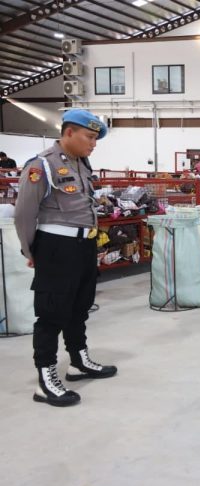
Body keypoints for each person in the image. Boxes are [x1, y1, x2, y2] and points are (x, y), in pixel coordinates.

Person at [14, 109, 117, 407]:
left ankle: (78, 361)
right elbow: (24, 213)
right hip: (55, 247)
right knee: (51, 314)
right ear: (69, 132)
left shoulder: (82, 164)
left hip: (83, 245)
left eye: (96, 138)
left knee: (79, 307)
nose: (93, 143)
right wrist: (31, 250)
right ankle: (45, 379)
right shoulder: (41, 165)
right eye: (89, 137)